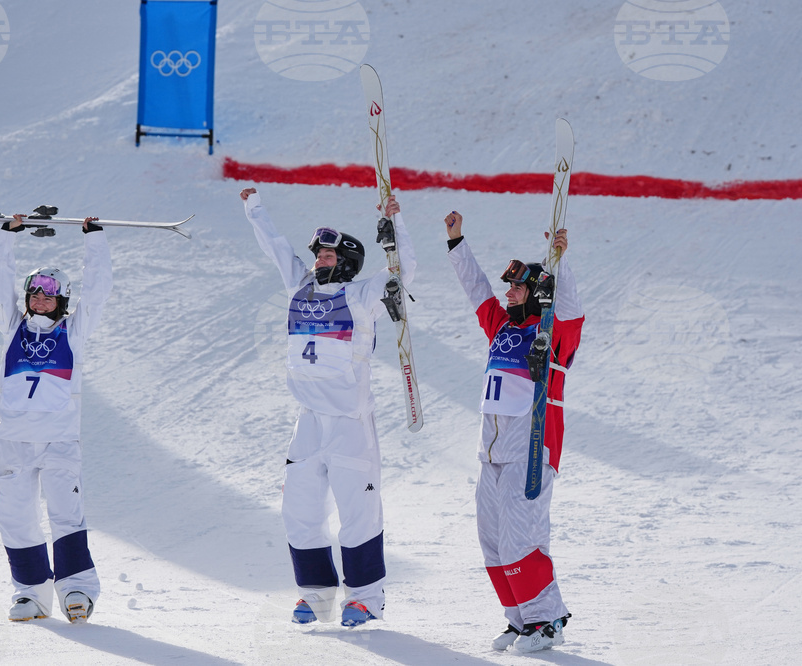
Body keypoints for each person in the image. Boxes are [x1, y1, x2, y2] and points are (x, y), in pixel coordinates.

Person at [240, 187, 416, 627]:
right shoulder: (299, 288)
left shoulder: (362, 298)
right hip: (308, 422)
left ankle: (365, 598)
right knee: (298, 511)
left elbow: (403, 270)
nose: (318, 259)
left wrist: (396, 226)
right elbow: (277, 249)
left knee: (357, 511)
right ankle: (315, 594)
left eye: (328, 254)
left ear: (349, 261)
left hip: (349, 421)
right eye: (317, 253)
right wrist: (254, 210)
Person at [442, 210, 583, 653]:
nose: (508, 293)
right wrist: (457, 243)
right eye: (510, 287)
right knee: (492, 541)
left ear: (539, 291)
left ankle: (547, 619)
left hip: (532, 450)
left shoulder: (552, 332)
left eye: (517, 286)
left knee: (522, 536)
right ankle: (520, 619)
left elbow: (573, 309)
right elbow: (477, 290)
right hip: (492, 452)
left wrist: (560, 261)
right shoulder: (501, 327)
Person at [0, 213, 113, 623]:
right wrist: (6, 237)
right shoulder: (11, 328)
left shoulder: (72, 333)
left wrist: (94, 243)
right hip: (12, 441)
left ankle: (77, 589)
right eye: (34, 293)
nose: (40, 299)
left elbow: (99, 292)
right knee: (15, 517)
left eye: (48, 295)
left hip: (58, 439)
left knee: (64, 514)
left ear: (62, 301)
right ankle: (30, 594)